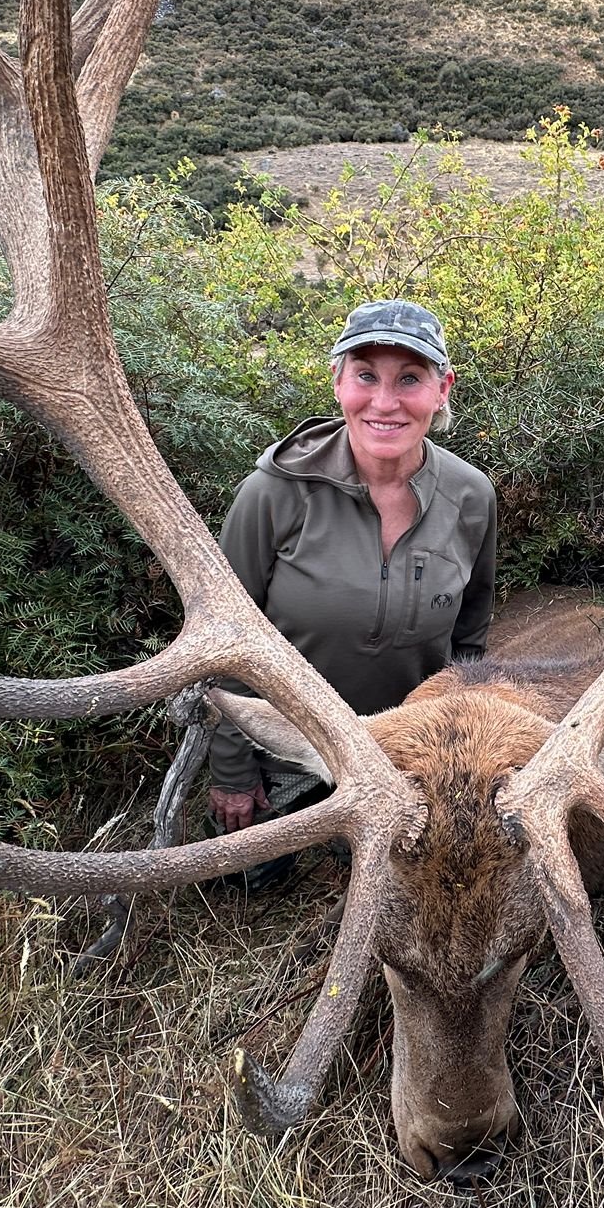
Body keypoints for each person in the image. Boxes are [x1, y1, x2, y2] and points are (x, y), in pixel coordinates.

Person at [206, 299, 496, 833]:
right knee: (248, 880)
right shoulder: (274, 493)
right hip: (286, 747)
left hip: (406, 757)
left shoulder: (471, 496)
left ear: (442, 390)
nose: (385, 403)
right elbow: (226, 643)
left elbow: (469, 643)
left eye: (409, 379)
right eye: (366, 375)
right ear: (339, 383)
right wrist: (232, 770)